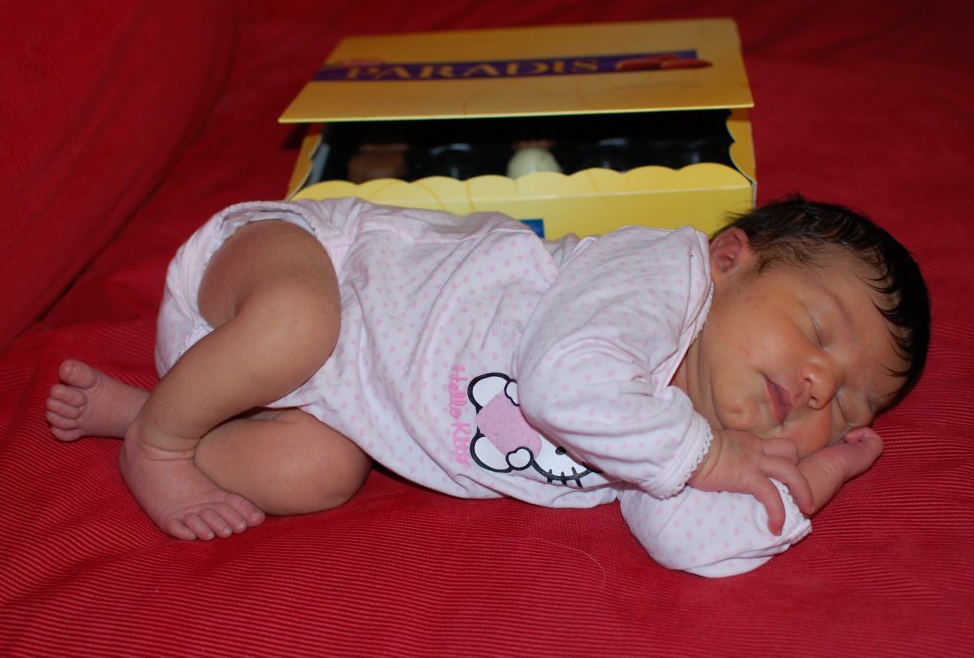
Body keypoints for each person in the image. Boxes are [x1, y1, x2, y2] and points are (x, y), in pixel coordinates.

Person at [45, 194, 930, 575]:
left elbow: (686, 540)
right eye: (820, 332)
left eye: (850, 402)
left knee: (320, 474)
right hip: (305, 264)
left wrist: (808, 477)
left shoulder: (666, 436)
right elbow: (563, 383)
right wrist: (712, 456)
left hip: (316, 397)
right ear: (730, 260)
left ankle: (159, 412)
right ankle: (160, 445)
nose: (819, 385)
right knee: (296, 326)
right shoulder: (663, 276)